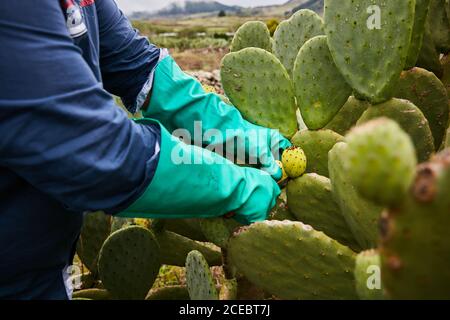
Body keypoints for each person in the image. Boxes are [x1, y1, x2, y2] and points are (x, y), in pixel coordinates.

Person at [0, 0, 291, 299]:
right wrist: (234, 187)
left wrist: (239, 134)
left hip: (45, 269)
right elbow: (95, 151)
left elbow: (138, 67)